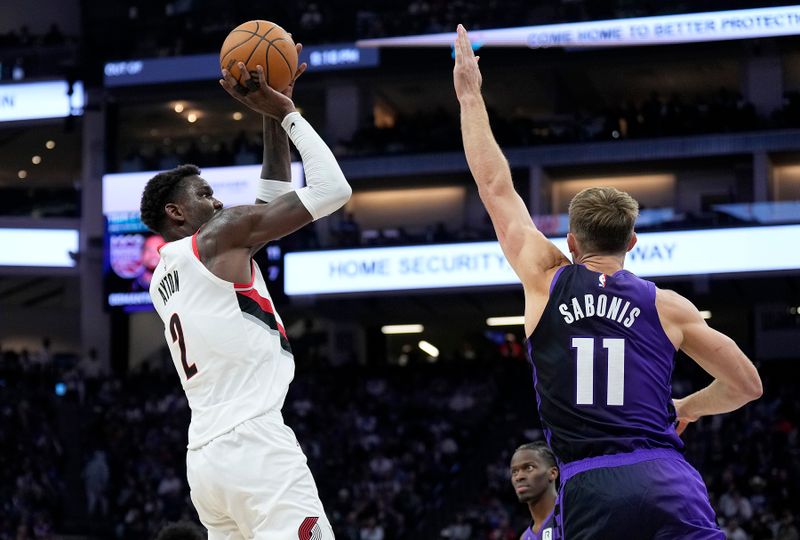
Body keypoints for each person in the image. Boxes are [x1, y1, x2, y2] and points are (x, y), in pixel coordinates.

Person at [453, 25, 763, 539]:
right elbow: (747, 385)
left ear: (571, 243)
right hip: (666, 477)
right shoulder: (668, 307)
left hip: (590, 485)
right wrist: (687, 407)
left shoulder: (545, 279)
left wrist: (469, 94)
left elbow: (494, 185)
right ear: (633, 244)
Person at [140, 42, 349, 539]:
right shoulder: (218, 236)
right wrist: (288, 112)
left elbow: (266, 207)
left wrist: (266, 116)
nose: (218, 201)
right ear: (177, 212)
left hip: (206, 461)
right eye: (204, 194)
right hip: (255, 444)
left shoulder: (161, 276)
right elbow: (333, 190)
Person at [511, 442, 557, 540]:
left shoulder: (570, 515)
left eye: (529, 467)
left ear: (552, 473)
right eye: (514, 471)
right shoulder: (524, 537)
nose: (518, 477)